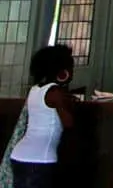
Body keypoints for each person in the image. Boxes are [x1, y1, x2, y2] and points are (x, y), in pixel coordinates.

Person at [6, 45, 76, 188]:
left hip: (19, 156)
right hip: (39, 160)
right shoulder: (56, 92)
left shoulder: (35, 89)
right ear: (62, 70)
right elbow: (68, 122)